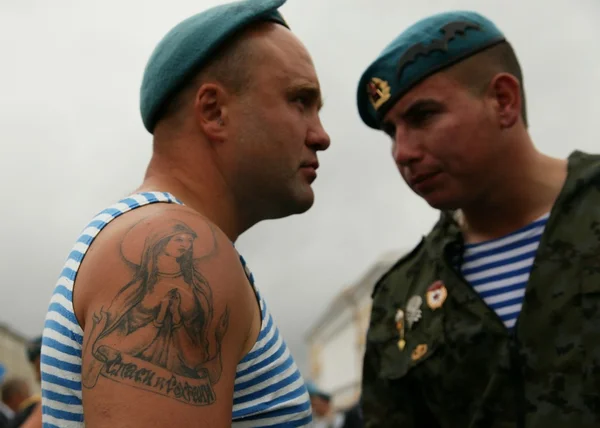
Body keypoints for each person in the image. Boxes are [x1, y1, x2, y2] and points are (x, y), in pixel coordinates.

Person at [40, 0, 330, 426]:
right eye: (300, 101)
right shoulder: (174, 237)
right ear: (213, 111)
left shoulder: (165, 239)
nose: (321, 136)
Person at [355, 10, 600, 428]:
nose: (403, 152)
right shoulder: (402, 299)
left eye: (422, 117)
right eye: (392, 132)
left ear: (502, 100)